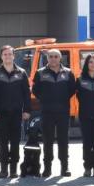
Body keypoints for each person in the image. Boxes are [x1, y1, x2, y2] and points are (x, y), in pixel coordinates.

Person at [31, 48, 76, 177]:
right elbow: (35, 90)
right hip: (47, 112)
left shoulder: (68, 73)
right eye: (51, 56)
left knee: (63, 140)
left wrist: (62, 99)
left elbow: (72, 89)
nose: (53, 59)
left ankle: (64, 168)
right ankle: (47, 168)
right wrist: (46, 99)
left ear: (60, 58)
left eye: (56, 56)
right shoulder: (40, 73)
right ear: (47, 58)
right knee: (47, 140)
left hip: (63, 111)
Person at [0, 44, 30, 179]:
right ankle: (3, 169)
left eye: (10, 54)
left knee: (15, 142)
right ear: (1, 56)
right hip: (0, 114)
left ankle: (13, 169)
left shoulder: (21, 73)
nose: (7, 56)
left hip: (16, 113)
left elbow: (26, 94)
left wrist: (27, 110)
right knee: (2, 142)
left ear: (14, 56)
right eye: (5, 54)